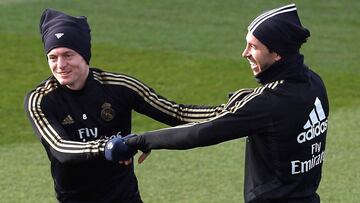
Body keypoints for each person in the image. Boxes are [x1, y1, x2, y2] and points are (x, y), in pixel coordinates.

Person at [107, 4, 329, 203]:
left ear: (277, 53)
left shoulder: (269, 102)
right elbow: (223, 116)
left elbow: (202, 132)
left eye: (253, 47)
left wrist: (140, 140)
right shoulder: (314, 83)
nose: (245, 53)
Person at [24, 8, 223, 203]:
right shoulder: (40, 99)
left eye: (68, 55)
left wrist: (229, 111)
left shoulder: (119, 87)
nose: (60, 65)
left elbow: (177, 113)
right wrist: (108, 146)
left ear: (84, 55)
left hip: (124, 197)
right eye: (53, 57)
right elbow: (61, 148)